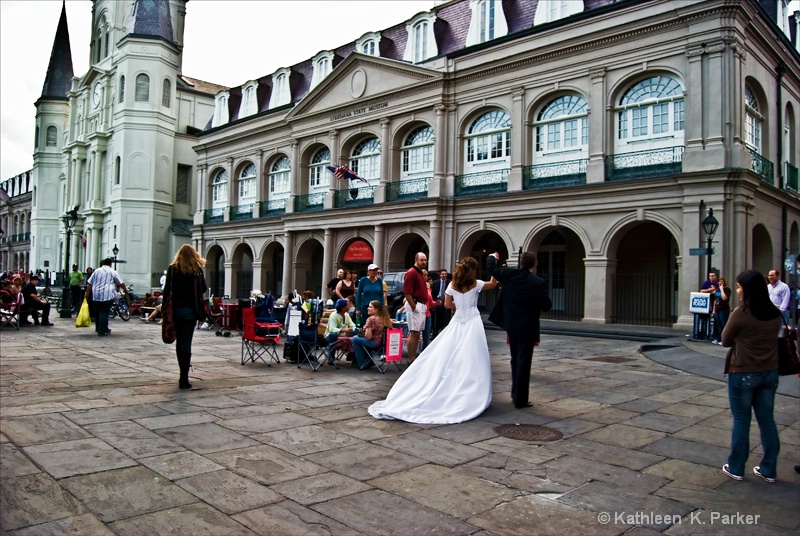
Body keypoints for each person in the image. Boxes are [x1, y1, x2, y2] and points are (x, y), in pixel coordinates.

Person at [369, 257, 499, 423]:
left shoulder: (452, 285)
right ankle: (471, 388)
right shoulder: (477, 284)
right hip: (473, 320)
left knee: (448, 352)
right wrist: (494, 265)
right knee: (473, 356)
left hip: (458, 320)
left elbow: (446, 305)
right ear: (473, 270)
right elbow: (493, 283)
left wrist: (456, 305)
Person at [720, 270, 781, 483]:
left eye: (739, 286)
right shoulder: (774, 312)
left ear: (747, 289)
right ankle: (769, 469)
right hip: (770, 372)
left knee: (741, 421)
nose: (737, 290)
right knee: (767, 421)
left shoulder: (741, 312)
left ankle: (736, 467)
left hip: (743, 371)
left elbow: (725, 339)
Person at [487, 251, 552, 409]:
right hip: (527, 326)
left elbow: (492, 269)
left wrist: (492, 257)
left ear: (521, 262)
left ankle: (515, 393)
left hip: (511, 324)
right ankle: (520, 399)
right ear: (533, 264)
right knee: (524, 361)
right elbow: (547, 305)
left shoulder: (510, 274)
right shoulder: (538, 282)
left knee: (515, 358)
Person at [163, 244, 208, 389]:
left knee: (179, 342)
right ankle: (184, 377)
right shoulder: (196, 270)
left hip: (176, 310)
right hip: (190, 311)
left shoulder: (173, 269)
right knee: (186, 342)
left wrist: (164, 309)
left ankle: (181, 374)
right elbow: (203, 288)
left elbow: (166, 291)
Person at [85, 258, 127, 336]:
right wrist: (125, 289)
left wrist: (87, 293)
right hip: (107, 295)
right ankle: (102, 330)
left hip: (96, 295)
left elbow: (89, 283)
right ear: (110, 264)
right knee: (104, 312)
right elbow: (120, 282)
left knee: (98, 311)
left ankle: (99, 327)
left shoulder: (96, 271)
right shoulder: (112, 272)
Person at [350, 300, 393, 369]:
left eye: (370, 307)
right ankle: (369, 362)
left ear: (376, 309)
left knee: (355, 339)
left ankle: (362, 363)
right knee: (361, 341)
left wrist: (365, 330)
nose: (367, 308)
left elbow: (368, 337)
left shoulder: (371, 319)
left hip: (375, 343)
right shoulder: (385, 319)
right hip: (384, 344)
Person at [403, 252, 429, 364]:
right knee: (413, 332)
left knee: (417, 333)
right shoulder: (412, 272)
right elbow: (407, 292)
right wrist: (414, 307)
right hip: (416, 304)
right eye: (421, 260)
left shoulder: (420, 273)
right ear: (416, 260)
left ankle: (414, 357)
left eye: (425, 260)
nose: (424, 262)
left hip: (421, 304)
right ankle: (411, 358)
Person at [431, 269, 452, 338]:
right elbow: (432, 293)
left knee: (447, 319)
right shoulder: (435, 283)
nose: (444, 275)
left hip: (446, 302)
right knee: (436, 319)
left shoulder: (450, 283)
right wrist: (435, 300)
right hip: (438, 301)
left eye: (445, 274)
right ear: (440, 275)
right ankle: (435, 334)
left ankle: (447, 335)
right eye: (442, 274)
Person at [711, 276, 731, 345]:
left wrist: (722, 289)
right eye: (719, 281)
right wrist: (713, 310)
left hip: (724, 309)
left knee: (723, 324)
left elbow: (724, 298)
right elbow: (715, 300)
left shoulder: (727, 289)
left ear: (724, 282)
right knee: (718, 324)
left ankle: (725, 339)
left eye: (722, 281)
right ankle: (719, 339)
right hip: (717, 309)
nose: (720, 282)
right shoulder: (717, 290)